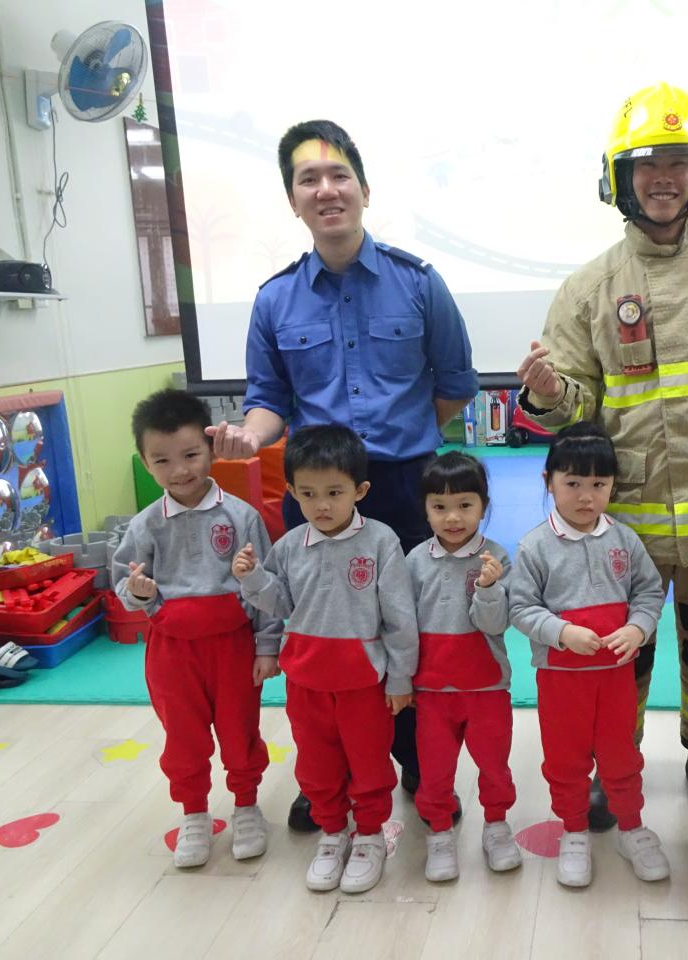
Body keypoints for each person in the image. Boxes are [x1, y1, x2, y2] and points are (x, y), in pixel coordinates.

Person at [515, 83, 688, 825]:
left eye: (679, 162)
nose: (663, 177)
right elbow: (576, 409)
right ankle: (618, 763)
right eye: (646, 164)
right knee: (623, 654)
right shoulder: (589, 288)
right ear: (620, 178)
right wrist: (549, 393)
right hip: (626, 522)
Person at [209, 119, 479, 829]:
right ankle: (327, 774)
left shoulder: (419, 282)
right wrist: (250, 436)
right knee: (321, 632)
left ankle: (418, 763)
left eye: (339, 176)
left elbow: (453, 385)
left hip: (407, 489)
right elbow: (269, 400)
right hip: (317, 499)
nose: (326, 190)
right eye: (309, 179)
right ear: (292, 200)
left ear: (364, 188)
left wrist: (405, 435)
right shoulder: (275, 300)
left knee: (413, 627)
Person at [233, 425, 417, 894]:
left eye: (335, 492)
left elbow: (400, 617)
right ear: (292, 492)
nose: (322, 505)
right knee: (316, 765)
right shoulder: (290, 545)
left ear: (360, 490)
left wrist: (400, 678)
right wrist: (253, 579)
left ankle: (370, 836)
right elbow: (279, 603)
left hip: (364, 683)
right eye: (309, 493)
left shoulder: (381, 541)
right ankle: (333, 832)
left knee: (370, 763)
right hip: (307, 681)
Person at [112, 388, 281, 870]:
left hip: (233, 646)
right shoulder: (145, 525)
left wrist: (267, 646)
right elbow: (124, 583)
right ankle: (193, 813)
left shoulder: (242, 516)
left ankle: (246, 806)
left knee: (240, 730)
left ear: (211, 448)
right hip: (172, 652)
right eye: (162, 460)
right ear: (146, 463)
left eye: (190, 455)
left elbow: (267, 584)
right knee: (183, 737)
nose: (179, 470)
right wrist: (138, 592)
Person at [509, 423, 670, 888]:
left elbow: (649, 592)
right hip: (562, 681)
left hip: (616, 679)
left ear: (613, 485)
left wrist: (638, 628)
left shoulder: (625, 540)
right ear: (548, 482)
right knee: (566, 760)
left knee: (622, 756)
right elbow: (521, 608)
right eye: (573, 483)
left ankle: (631, 827)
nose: (586, 496)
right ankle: (574, 830)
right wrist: (560, 632)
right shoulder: (535, 546)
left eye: (598, 484)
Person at [406, 451, 522, 881]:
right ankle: (439, 833)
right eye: (439, 506)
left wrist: (489, 588)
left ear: (483, 506)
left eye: (465, 505)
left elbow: (497, 625)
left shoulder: (497, 557)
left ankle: (496, 825)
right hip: (432, 691)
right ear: (425, 509)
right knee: (434, 770)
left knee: (494, 765)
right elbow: (402, 625)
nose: (452, 517)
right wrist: (400, 678)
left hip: (487, 688)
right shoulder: (415, 560)